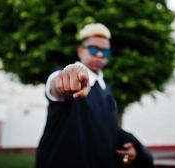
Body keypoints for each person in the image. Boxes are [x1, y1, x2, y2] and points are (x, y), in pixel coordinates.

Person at [35, 23, 154, 168]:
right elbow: (56, 86)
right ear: (80, 51)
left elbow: (109, 130)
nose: (99, 55)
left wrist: (133, 151)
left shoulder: (107, 91)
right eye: (93, 49)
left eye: (105, 52)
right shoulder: (69, 77)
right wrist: (65, 77)